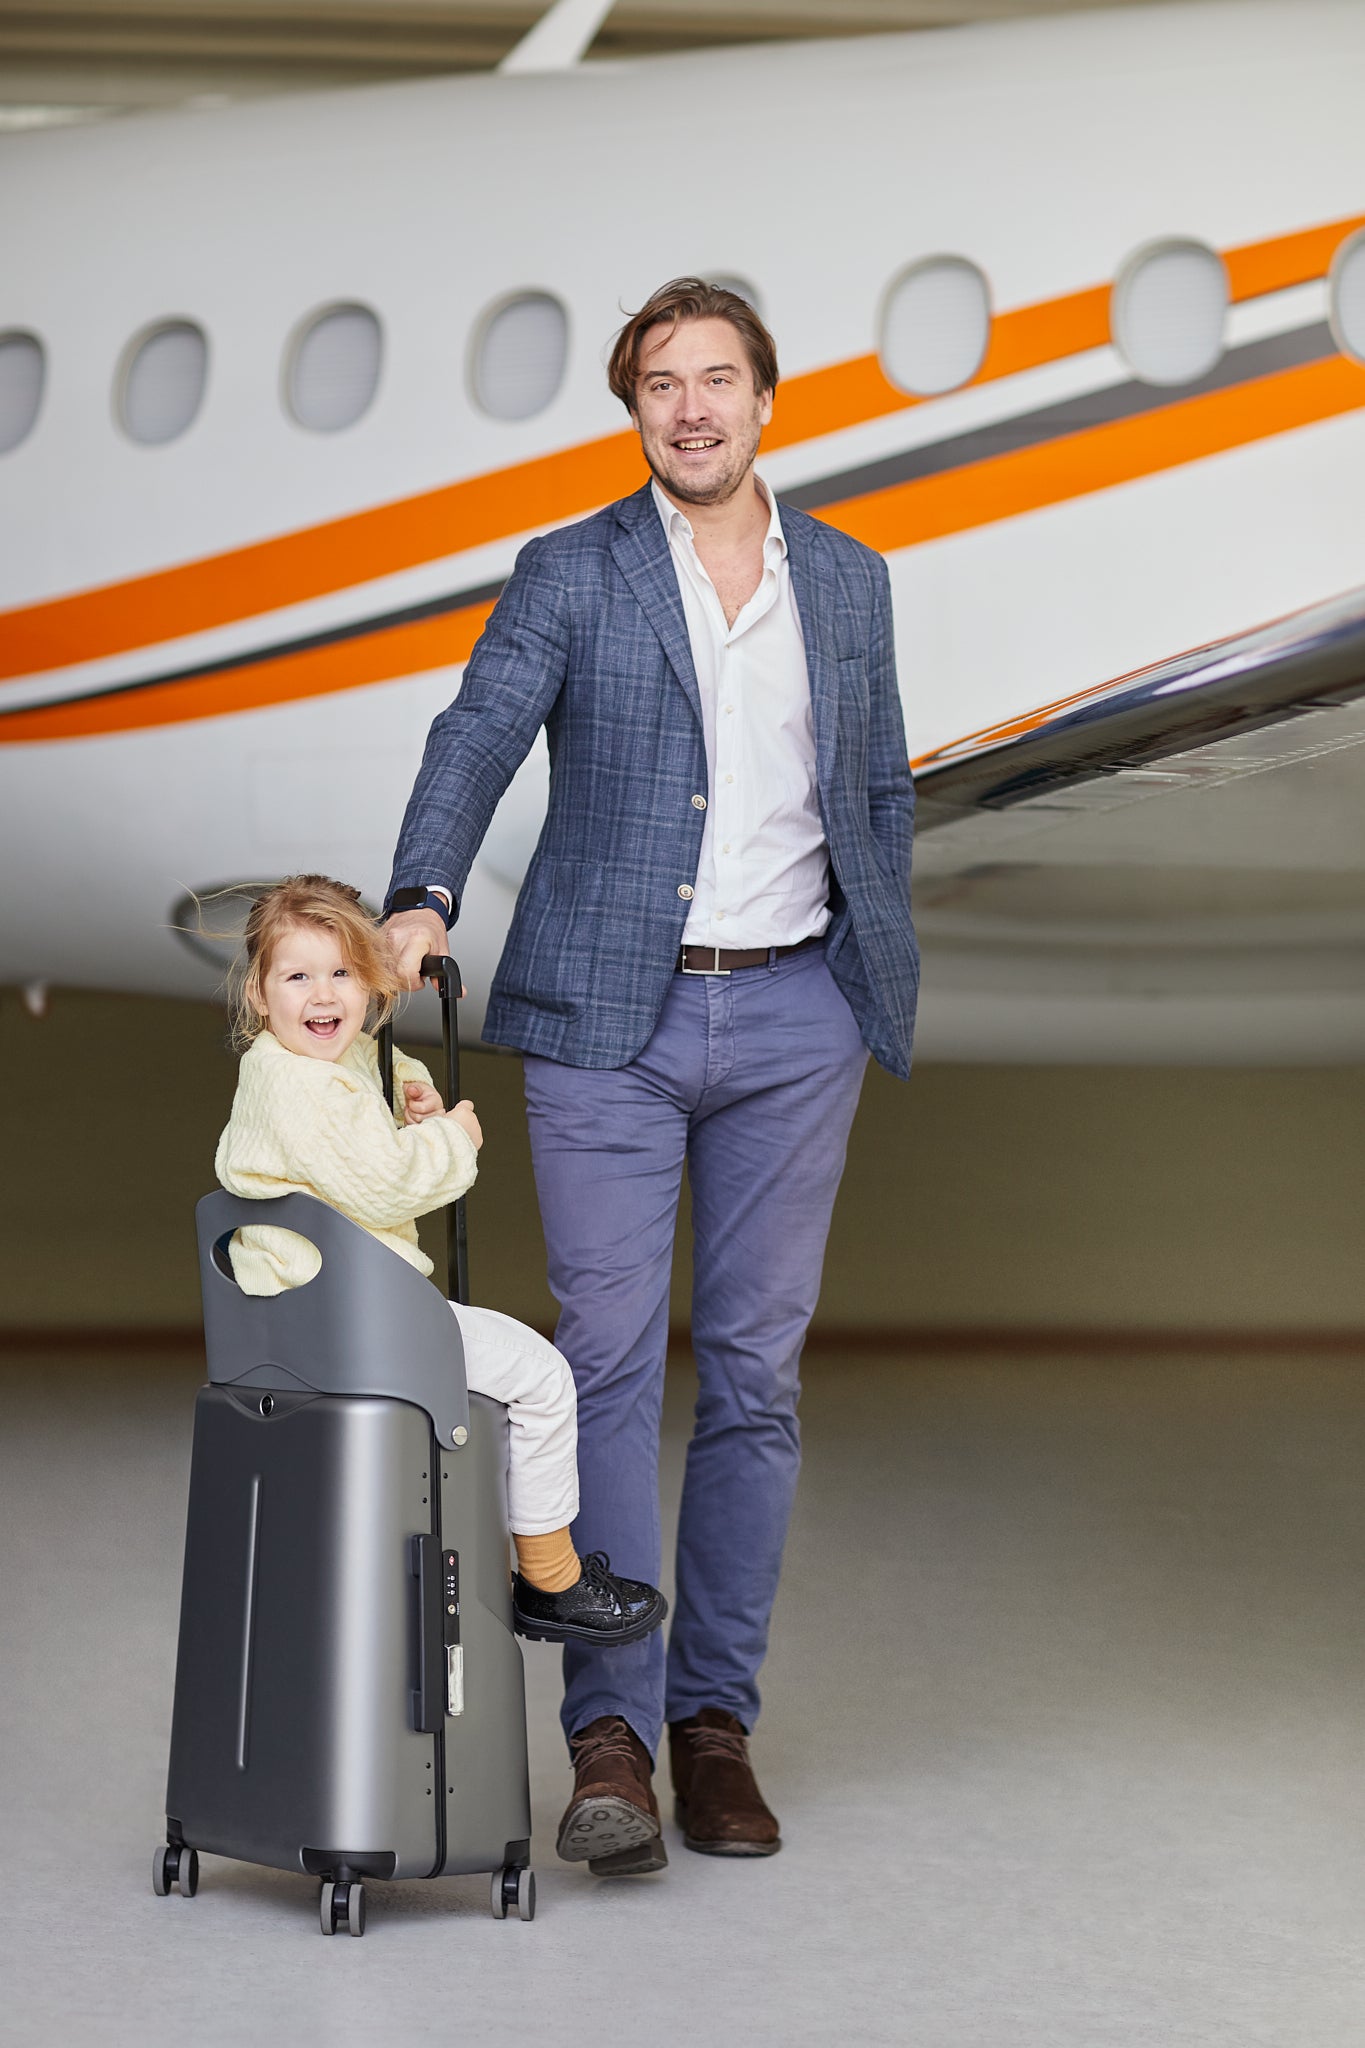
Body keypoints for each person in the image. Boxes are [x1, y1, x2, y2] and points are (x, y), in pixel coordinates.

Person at [384, 279, 917, 1877]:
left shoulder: (848, 580)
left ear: (768, 402)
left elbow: (876, 782)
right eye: (660, 385)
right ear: (636, 413)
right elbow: (477, 730)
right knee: (604, 1365)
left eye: (719, 380)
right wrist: (420, 889)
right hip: (606, 1024)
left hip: (796, 1020)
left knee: (755, 1377)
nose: (691, 407)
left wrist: (875, 958)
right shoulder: (574, 573)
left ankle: (713, 1727)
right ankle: (606, 1733)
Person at [214, 871, 667, 1654]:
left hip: (290, 1322)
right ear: (259, 992)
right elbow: (387, 1182)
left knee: (505, 1372)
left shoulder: (283, 1068)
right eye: (298, 976)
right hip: (360, 1324)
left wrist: (414, 1100)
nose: (323, 995)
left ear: (368, 985)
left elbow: (366, 1083)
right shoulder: (307, 1089)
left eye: (342, 974)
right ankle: (551, 1579)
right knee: (540, 1376)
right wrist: (452, 1136)